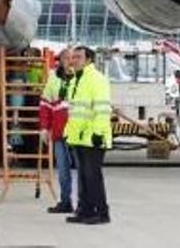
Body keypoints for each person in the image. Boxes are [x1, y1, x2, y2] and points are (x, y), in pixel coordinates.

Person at [65, 45, 113, 225]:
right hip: (79, 137)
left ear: (88, 60)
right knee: (84, 177)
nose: (73, 60)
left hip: (93, 137)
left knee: (93, 177)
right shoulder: (76, 80)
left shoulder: (96, 79)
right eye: (73, 57)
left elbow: (102, 108)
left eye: (78, 57)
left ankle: (101, 213)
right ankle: (84, 211)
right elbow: (75, 112)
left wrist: (98, 133)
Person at [40, 48, 75, 214]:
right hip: (59, 132)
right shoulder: (53, 78)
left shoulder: (81, 78)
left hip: (78, 132)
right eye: (66, 58)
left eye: (72, 58)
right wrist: (44, 128)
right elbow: (45, 105)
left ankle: (85, 204)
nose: (70, 61)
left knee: (82, 171)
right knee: (62, 171)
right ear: (60, 60)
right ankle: (65, 201)